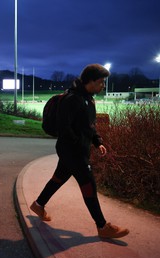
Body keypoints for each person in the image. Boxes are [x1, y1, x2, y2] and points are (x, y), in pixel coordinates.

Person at [30, 64, 129, 239]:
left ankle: (39, 204)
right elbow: (64, 127)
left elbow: (89, 125)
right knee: (88, 184)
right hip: (72, 150)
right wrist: (77, 144)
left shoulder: (88, 98)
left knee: (59, 178)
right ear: (90, 81)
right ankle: (102, 226)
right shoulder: (73, 99)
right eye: (101, 82)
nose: (103, 86)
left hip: (76, 150)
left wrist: (97, 142)